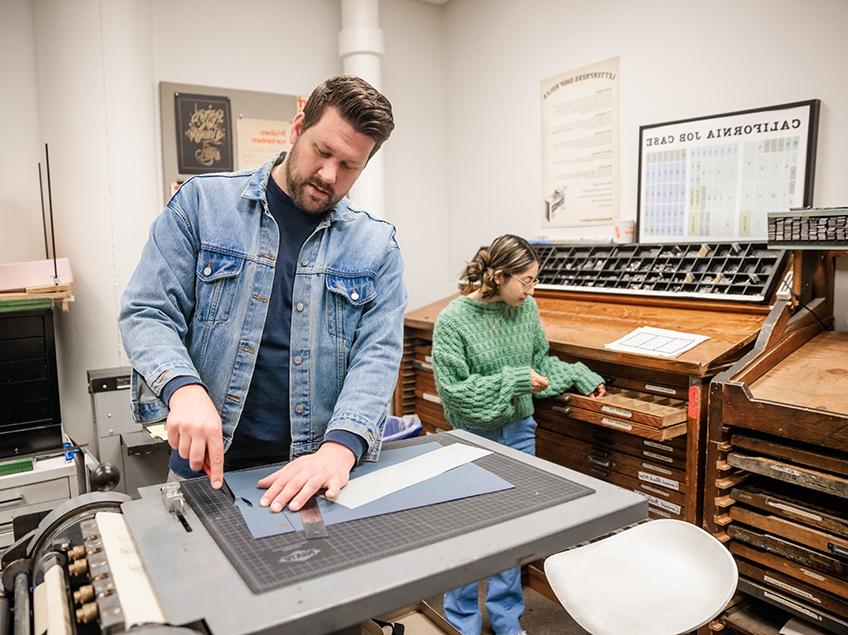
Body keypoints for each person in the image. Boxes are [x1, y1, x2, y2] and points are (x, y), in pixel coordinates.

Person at [119, 75, 406, 513]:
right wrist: (183, 388)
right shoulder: (202, 204)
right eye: (322, 152)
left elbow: (378, 354)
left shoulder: (376, 246)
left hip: (314, 471)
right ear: (296, 129)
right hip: (205, 469)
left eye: (349, 166)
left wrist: (341, 448)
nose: (329, 174)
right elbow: (147, 311)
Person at [431, 234, 605, 635]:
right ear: (498, 276)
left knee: (513, 534)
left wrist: (578, 374)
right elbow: (455, 394)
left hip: (520, 432)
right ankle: (462, 622)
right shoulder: (453, 320)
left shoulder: (526, 310)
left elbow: (539, 364)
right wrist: (513, 379)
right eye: (525, 280)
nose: (531, 289)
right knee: (469, 532)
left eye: (534, 280)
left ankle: (508, 621)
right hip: (473, 437)